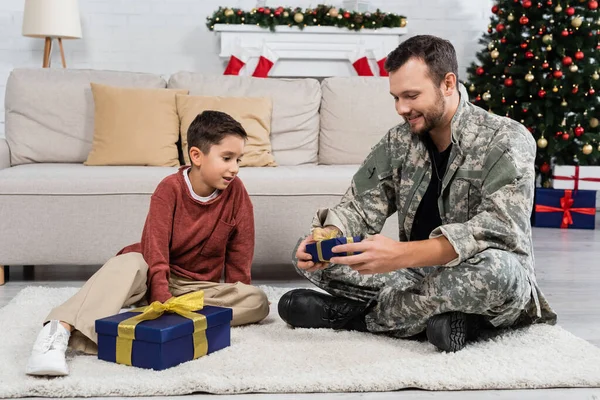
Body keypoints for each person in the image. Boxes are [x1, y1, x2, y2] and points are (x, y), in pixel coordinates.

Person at [278, 35, 557, 352]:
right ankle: (449, 320)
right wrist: (329, 235)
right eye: (395, 97)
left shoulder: (506, 139)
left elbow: (499, 231)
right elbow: (359, 206)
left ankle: (351, 317)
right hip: (415, 275)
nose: (401, 108)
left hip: (488, 275)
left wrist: (399, 255)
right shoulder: (397, 142)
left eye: (411, 96)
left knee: (495, 271)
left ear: (448, 84)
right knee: (309, 254)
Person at [26, 110, 270, 376]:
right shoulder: (170, 189)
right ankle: (57, 330)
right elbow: (155, 246)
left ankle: (160, 314)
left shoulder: (237, 193)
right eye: (227, 158)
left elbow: (240, 253)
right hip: (151, 272)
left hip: (194, 289)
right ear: (197, 156)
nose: (234, 167)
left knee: (256, 300)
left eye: (238, 160)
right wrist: (160, 289)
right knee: (128, 263)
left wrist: (236, 290)